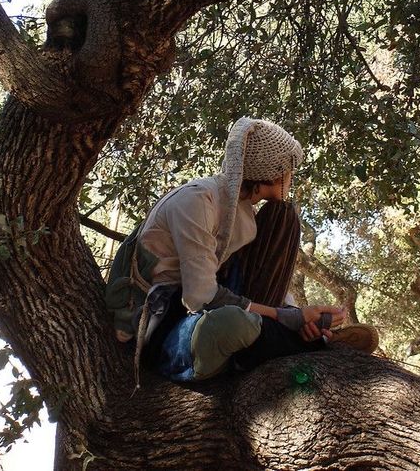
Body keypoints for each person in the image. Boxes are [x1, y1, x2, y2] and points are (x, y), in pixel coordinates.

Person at [106, 117, 378, 385]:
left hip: (205, 300)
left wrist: (294, 313)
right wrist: (288, 318)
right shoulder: (197, 201)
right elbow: (199, 297)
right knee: (235, 325)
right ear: (272, 173)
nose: (291, 178)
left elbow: (256, 275)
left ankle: (304, 338)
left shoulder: (242, 213)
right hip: (165, 318)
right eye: (289, 171)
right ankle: (313, 343)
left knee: (283, 219)